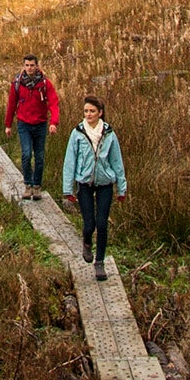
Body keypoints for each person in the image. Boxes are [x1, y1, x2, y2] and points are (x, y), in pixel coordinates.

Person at [59, 95, 128, 278]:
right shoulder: (78, 133)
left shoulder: (109, 134)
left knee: (102, 223)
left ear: (100, 113)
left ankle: (100, 262)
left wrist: (121, 188)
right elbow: (70, 161)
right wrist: (68, 189)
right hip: (85, 183)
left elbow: (117, 161)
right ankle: (87, 242)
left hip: (105, 182)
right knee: (89, 224)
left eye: (92, 111)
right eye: (86, 111)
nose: (88, 114)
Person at [3, 53, 60, 199]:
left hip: (40, 124)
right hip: (24, 124)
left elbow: (53, 102)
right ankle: (27, 184)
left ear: (37, 66)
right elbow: (11, 104)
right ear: (24, 66)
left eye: (32, 65)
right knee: (26, 154)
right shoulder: (17, 83)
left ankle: (37, 186)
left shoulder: (45, 84)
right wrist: (8, 124)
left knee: (39, 156)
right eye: (27, 65)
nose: (29, 68)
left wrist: (54, 122)